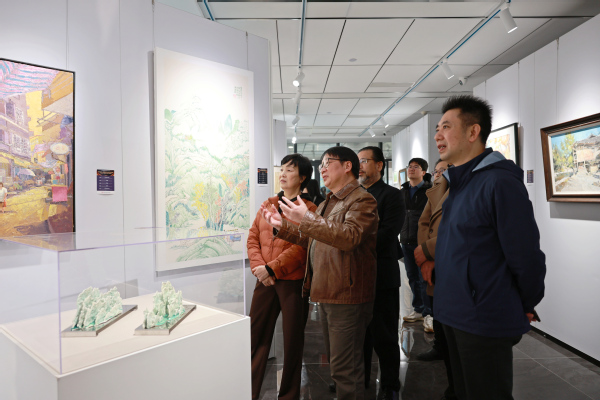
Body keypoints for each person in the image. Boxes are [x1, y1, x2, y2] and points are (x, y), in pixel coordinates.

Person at [434, 95, 546, 400]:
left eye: (446, 127)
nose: (438, 135)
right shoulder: (459, 184)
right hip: (453, 312)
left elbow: (525, 255)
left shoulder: (498, 182)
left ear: (473, 132)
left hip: (483, 316)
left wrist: (525, 301)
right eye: (437, 128)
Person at [260, 146, 378, 400]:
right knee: (338, 366)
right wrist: (283, 226)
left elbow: (349, 237)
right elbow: (315, 238)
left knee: (346, 370)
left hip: (348, 294)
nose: (322, 169)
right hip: (328, 291)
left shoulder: (362, 199)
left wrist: (306, 218)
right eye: (321, 164)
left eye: (327, 163)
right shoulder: (329, 202)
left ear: (347, 166)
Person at [247, 154, 318, 400]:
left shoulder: (309, 210)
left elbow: (302, 248)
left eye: (290, 170)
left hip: (293, 283)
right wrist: (259, 267)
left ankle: (288, 395)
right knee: (255, 337)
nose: (283, 174)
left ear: (303, 177)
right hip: (264, 281)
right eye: (282, 169)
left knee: (292, 342)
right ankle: (249, 391)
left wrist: (272, 269)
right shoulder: (268, 204)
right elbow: (253, 237)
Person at [357, 146, 403, 400]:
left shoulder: (392, 195)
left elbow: (387, 233)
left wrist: (351, 242)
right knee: (359, 334)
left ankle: (390, 384)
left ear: (379, 165)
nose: (360, 166)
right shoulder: (354, 195)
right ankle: (360, 379)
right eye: (358, 161)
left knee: (384, 334)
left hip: (382, 274)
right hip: (356, 275)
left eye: (364, 161)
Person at [413, 159, 457, 400]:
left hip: (455, 265)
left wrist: (429, 251)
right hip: (434, 263)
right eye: (437, 170)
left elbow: (463, 228)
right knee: (441, 319)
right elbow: (424, 223)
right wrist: (426, 256)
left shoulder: (473, 183)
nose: (439, 174)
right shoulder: (436, 190)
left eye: (443, 170)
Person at [399, 157, 432, 328]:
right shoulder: (403, 191)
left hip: (422, 241)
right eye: (409, 166)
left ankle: (429, 312)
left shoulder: (429, 191)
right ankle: (418, 309)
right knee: (412, 277)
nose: (411, 169)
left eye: (416, 167)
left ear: (423, 172)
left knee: (424, 277)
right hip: (406, 240)